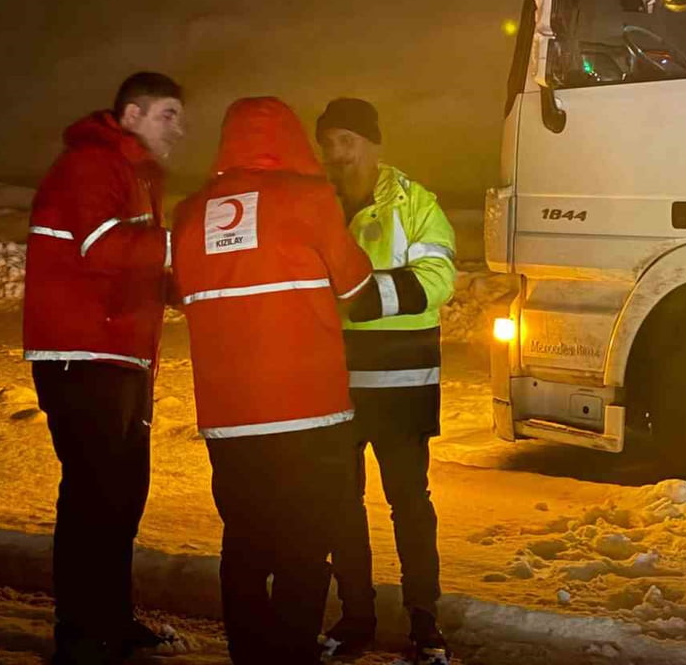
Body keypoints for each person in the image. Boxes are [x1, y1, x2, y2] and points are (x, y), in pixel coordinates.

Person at [171, 97, 374, 665]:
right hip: (309, 411)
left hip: (228, 417)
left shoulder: (190, 213)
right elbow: (355, 289)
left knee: (243, 546)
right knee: (304, 550)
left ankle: (248, 655)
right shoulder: (309, 200)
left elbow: (180, 291)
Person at [23, 72, 184, 665]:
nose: (180, 128)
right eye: (169, 114)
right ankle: (81, 630)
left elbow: (133, 262)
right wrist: (180, 244)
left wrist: (183, 287)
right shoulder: (92, 165)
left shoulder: (137, 176)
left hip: (122, 356)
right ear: (134, 113)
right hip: (81, 356)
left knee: (121, 496)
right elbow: (101, 246)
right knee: (94, 495)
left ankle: (109, 619)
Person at [315, 98, 457, 665]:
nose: (335, 153)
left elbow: (439, 276)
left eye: (346, 140)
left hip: (402, 386)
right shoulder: (314, 203)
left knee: (409, 504)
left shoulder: (416, 203)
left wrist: (362, 297)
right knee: (341, 507)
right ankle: (356, 618)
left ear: (374, 144)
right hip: (333, 385)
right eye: (327, 142)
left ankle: (425, 621)